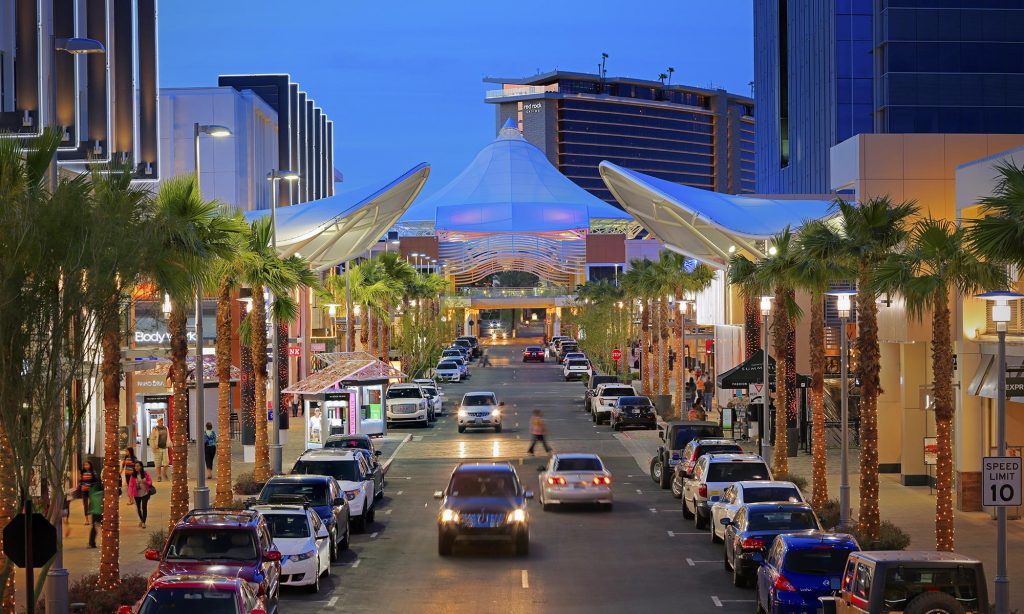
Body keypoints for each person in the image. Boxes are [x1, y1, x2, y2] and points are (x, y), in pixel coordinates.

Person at [128, 461, 153, 529]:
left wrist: (146, 482)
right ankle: (142, 520)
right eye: (135, 466)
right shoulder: (133, 476)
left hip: (145, 493)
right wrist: (130, 495)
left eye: (138, 466)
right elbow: (130, 485)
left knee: (144, 507)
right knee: (138, 508)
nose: (136, 467)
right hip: (137, 494)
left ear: (141, 466)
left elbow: (150, 482)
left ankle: (143, 522)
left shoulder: (145, 474)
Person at [148, 417, 171, 481]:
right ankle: (159, 476)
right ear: (157, 421)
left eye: (162, 420)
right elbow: (151, 439)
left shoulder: (166, 428)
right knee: (158, 463)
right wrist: (154, 447)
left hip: (165, 448)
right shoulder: (155, 429)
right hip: (157, 449)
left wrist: (169, 444)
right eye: (160, 421)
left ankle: (164, 473)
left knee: (166, 463)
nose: (161, 422)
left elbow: (168, 437)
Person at [78, 460, 99, 525]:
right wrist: (80, 485)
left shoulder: (93, 472)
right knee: (85, 505)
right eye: (85, 465)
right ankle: (86, 520)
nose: (86, 466)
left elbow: (96, 481)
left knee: (92, 504)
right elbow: (81, 481)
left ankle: (94, 519)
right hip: (84, 491)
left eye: (87, 465)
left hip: (91, 491)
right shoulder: (82, 472)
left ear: (90, 465)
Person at [87, 476, 104, 548]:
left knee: (94, 528)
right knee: (104, 528)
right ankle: (106, 542)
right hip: (102, 512)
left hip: (95, 512)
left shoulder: (91, 491)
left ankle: (92, 543)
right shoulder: (103, 492)